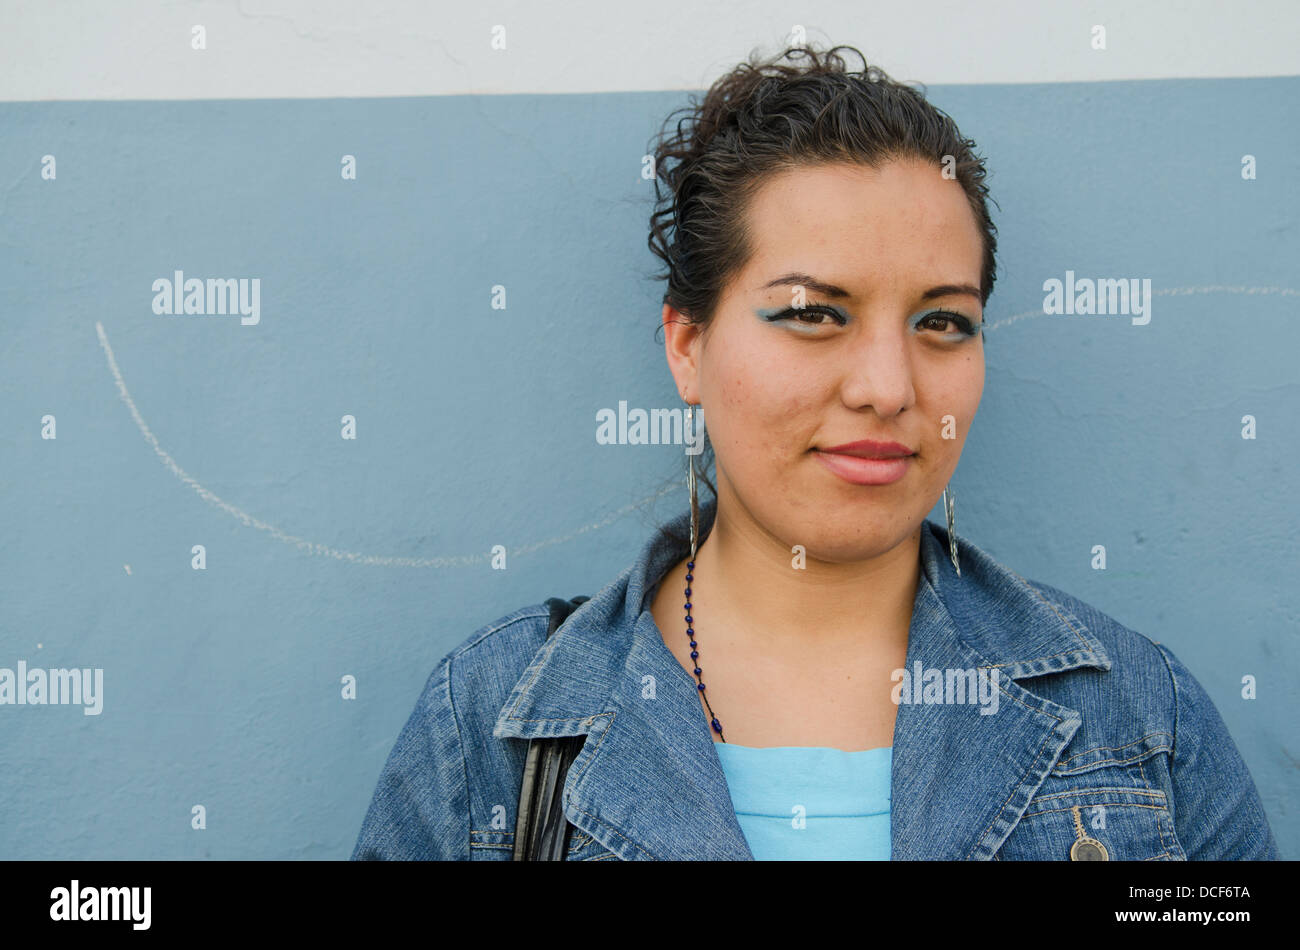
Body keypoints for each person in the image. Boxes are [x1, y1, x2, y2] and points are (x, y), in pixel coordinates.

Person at [352, 44, 1278, 860]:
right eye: (811, 314)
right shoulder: (494, 726)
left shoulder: (1139, 718)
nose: (889, 385)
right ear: (687, 346)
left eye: (942, 321)